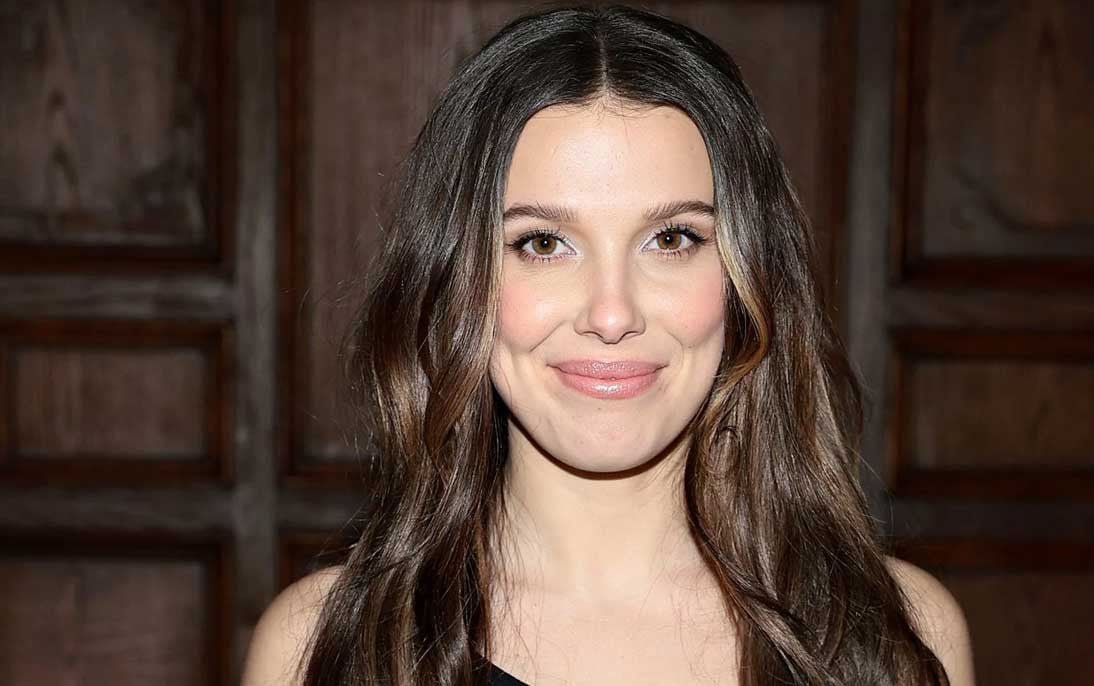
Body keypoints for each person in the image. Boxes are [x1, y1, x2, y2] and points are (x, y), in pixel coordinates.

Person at [243, 4, 974, 685]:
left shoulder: (894, 636)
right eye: (543, 243)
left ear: (750, 276)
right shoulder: (322, 648)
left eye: (673, 238)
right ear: (453, 281)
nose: (612, 313)